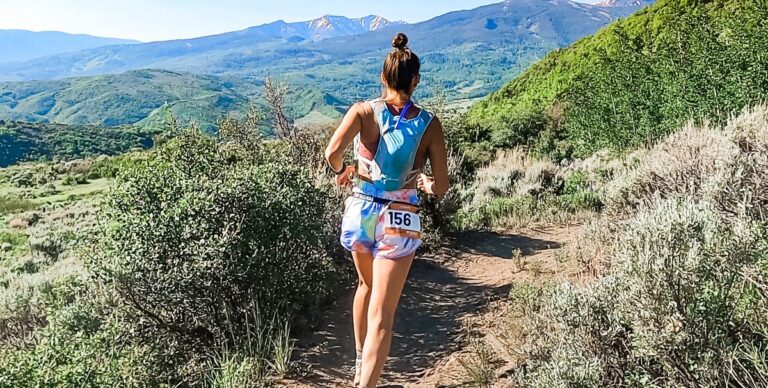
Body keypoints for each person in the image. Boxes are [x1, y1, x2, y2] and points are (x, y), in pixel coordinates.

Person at [324, 32, 450, 387]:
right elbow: (441, 186)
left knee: (365, 285)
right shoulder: (429, 124)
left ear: (383, 77)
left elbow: (332, 153)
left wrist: (345, 171)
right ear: (416, 81)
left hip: (361, 211)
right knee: (383, 314)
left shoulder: (363, 112)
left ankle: (359, 363)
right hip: (400, 218)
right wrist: (425, 184)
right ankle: (367, 380)